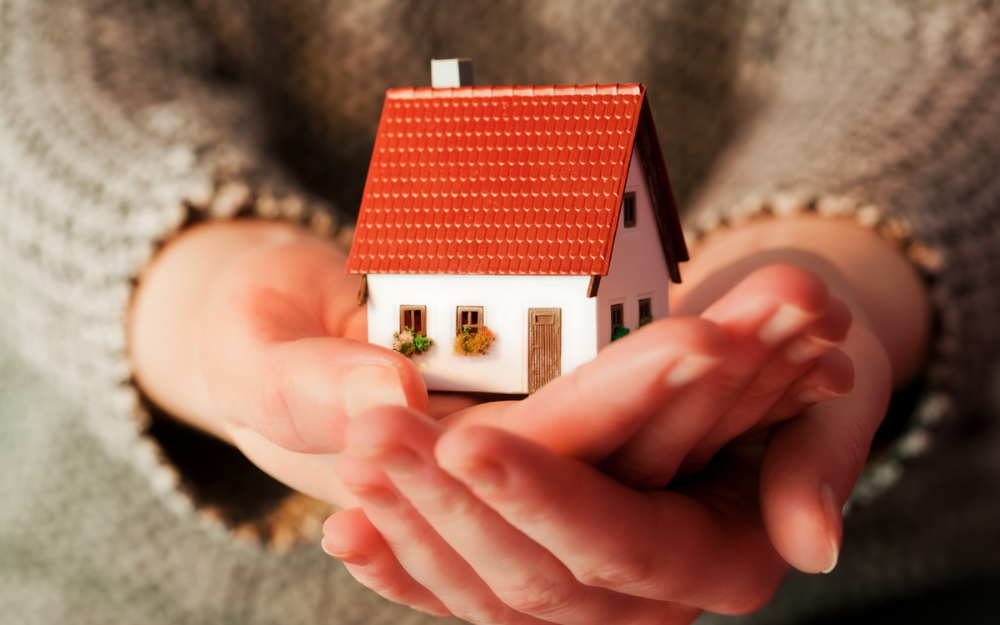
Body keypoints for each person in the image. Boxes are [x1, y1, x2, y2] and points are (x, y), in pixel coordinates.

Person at [2, 1, 998, 624]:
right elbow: (36, 66)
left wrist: (845, 261)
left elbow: (940, 47)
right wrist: (205, 292)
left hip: (899, 576)